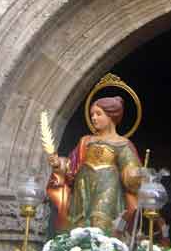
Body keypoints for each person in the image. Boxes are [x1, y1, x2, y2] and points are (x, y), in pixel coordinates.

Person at [47, 96, 141, 233]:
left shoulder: (122, 144)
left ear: (111, 116)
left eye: (98, 114)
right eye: (92, 115)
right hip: (82, 188)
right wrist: (59, 164)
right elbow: (71, 165)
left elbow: (131, 169)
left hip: (108, 187)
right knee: (79, 225)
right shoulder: (86, 141)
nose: (94, 118)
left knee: (101, 223)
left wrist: (133, 173)